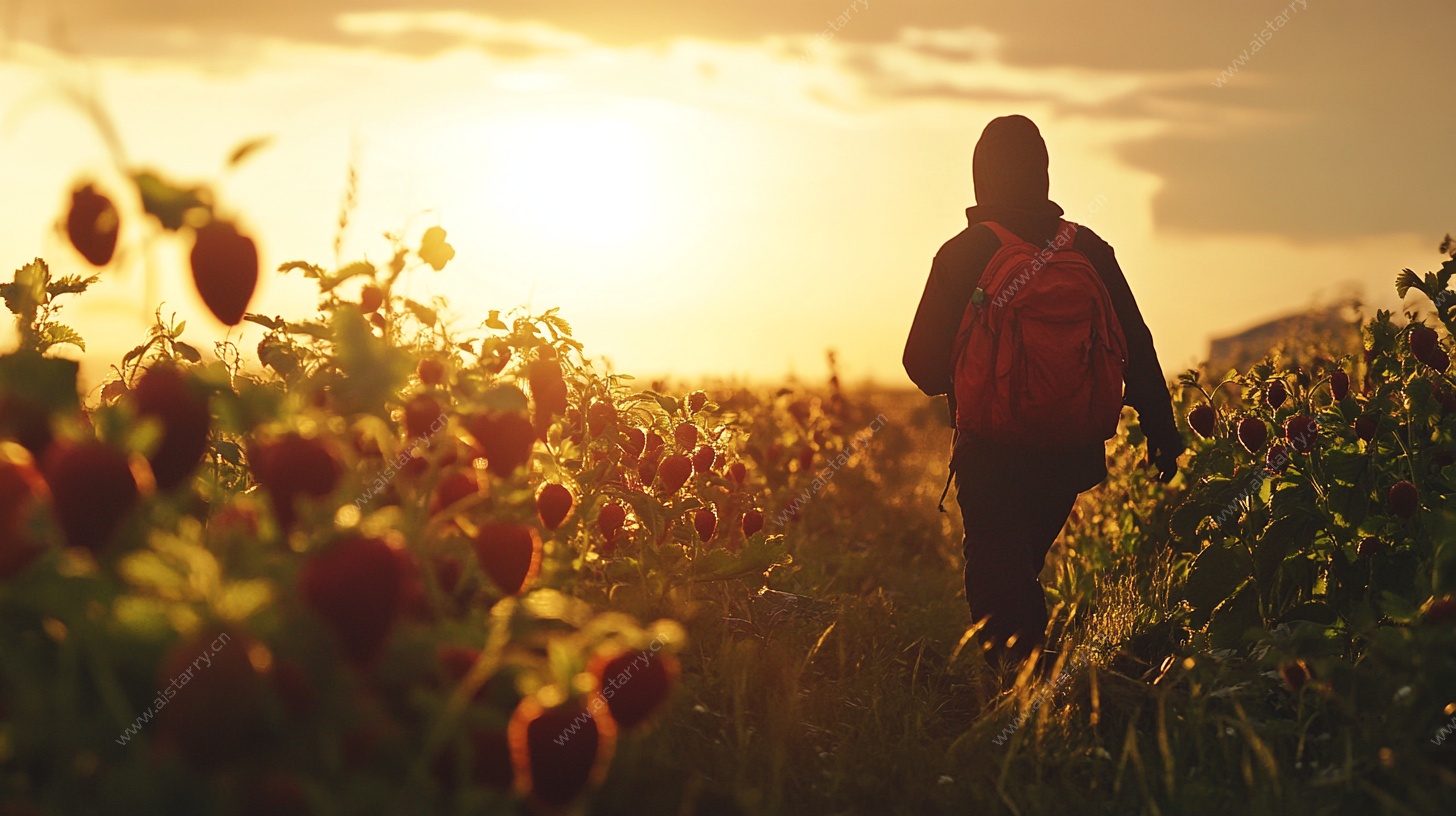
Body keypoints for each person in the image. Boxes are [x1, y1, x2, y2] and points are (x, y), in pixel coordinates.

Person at [902, 114, 1183, 673]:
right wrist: (1162, 429)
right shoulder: (1091, 249)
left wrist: (979, 373)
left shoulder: (964, 253)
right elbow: (1137, 341)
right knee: (1016, 572)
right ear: (1044, 174)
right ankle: (1038, 697)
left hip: (992, 455)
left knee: (997, 581)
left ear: (981, 176)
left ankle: (1025, 702)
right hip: (1069, 454)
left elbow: (922, 365)